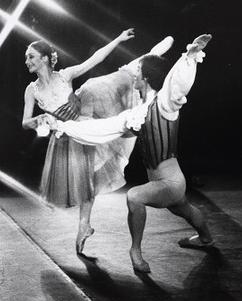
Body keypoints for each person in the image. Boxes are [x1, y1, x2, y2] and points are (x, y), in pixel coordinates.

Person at [46, 34, 214, 271]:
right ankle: (206, 238)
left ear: (144, 78)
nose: (134, 74)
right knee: (183, 209)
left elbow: (177, 83)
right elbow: (98, 129)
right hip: (164, 185)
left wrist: (190, 56)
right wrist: (63, 127)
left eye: (138, 73)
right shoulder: (136, 114)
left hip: (171, 182)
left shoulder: (165, 104)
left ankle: (135, 252)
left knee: (135, 196)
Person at [22, 30, 173, 253]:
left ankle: (147, 59)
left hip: (85, 123)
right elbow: (25, 123)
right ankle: (85, 225)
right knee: (85, 182)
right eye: (27, 57)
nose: (27, 62)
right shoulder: (32, 90)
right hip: (65, 137)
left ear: (44, 58)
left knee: (116, 82)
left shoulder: (64, 75)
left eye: (31, 56)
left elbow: (96, 59)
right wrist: (40, 119)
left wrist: (118, 39)